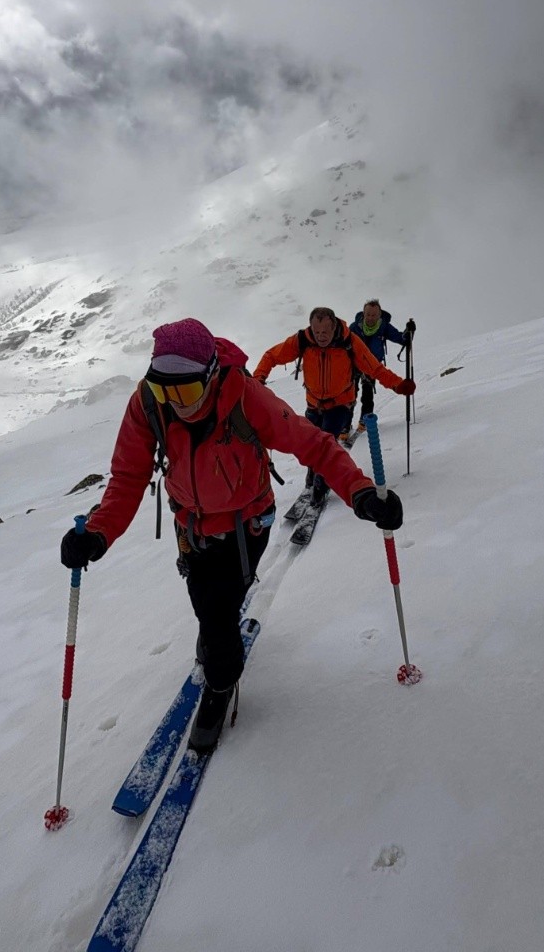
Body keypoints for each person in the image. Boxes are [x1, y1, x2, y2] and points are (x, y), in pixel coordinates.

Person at [60, 318, 405, 754]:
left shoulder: (245, 395)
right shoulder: (149, 402)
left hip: (248, 525)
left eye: (184, 391)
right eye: (165, 391)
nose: (176, 404)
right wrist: (97, 534)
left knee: (218, 609)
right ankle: (217, 640)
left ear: (210, 375)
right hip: (190, 527)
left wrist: (360, 493)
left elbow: (314, 445)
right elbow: (129, 477)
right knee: (208, 604)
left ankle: (220, 685)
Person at [253, 306, 415, 503]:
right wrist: (258, 379)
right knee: (310, 444)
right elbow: (271, 355)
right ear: (310, 327)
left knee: (325, 444)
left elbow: (375, 368)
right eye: (317, 331)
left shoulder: (349, 341)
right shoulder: (302, 340)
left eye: (325, 332)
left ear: (334, 327)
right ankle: (312, 478)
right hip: (313, 403)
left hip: (340, 404)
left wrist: (397, 385)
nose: (321, 336)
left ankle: (319, 490)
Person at [348, 299, 413, 432]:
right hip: (354, 364)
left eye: (374, 315)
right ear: (364, 314)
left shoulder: (384, 327)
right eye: (368, 315)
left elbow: (401, 339)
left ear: (379, 315)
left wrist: (409, 332)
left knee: (367, 393)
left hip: (372, 366)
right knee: (349, 394)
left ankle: (364, 420)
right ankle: (345, 423)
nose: (371, 318)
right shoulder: (354, 327)